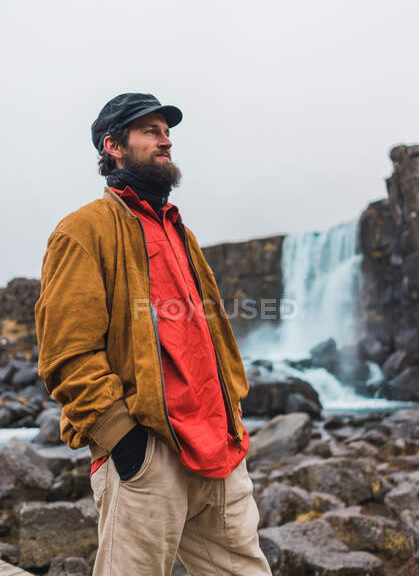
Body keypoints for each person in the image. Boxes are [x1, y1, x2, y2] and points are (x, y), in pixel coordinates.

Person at [35, 93, 271, 576]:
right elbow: (66, 353)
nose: (166, 140)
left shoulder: (177, 229)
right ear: (114, 146)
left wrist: (234, 416)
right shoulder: (84, 230)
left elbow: (209, 337)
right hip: (149, 455)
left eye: (167, 132)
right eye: (150, 131)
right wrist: (124, 440)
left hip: (219, 452)